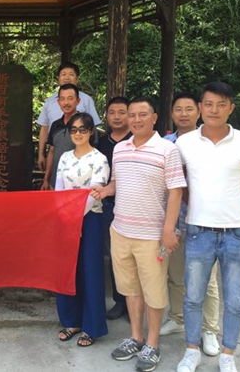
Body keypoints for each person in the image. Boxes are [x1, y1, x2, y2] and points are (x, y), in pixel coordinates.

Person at [175, 82, 240, 372]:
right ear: (200, 107)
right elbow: (180, 184)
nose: (214, 110)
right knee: (193, 297)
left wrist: (237, 208)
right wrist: (197, 205)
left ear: (231, 108)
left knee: (235, 301)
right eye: (208, 104)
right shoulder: (184, 144)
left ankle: (228, 354)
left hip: (236, 234)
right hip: (198, 232)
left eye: (221, 104)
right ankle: (192, 350)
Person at [92, 97, 186, 372]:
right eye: (131, 115)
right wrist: (105, 191)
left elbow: (176, 191)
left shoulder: (168, 150)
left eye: (142, 114)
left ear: (154, 118)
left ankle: (152, 344)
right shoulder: (120, 149)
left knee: (154, 292)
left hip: (151, 235)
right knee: (131, 289)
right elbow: (116, 183)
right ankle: (136, 337)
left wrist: (168, 229)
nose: (135, 119)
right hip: (121, 230)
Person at [161, 93, 221, 357]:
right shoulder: (165, 143)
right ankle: (177, 318)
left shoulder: (209, 141)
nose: (183, 114)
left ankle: (209, 329)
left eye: (189, 109)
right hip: (174, 222)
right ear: (172, 113)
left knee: (207, 280)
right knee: (176, 276)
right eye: (178, 109)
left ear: (198, 111)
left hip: (204, 222)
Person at [55, 113, 109, 347]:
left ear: (91, 131)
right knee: (66, 269)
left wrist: (74, 216)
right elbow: (58, 189)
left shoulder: (100, 159)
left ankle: (91, 327)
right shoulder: (65, 157)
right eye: (73, 129)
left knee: (90, 271)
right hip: (65, 219)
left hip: (90, 219)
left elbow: (95, 192)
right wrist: (63, 215)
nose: (78, 133)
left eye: (83, 129)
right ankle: (71, 321)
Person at [96, 96, 131, 321]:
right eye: (112, 113)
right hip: (108, 205)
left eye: (121, 112)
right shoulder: (100, 143)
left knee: (137, 257)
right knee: (115, 255)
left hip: (134, 205)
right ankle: (120, 301)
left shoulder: (136, 141)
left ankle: (135, 301)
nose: (116, 117)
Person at [37, 62, 101, 171]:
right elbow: (44, 128)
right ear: (58, 78)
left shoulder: (86, 100)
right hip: (56, 151)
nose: (67, 77)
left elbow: (93, 128)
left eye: (71, 74)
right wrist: (41, 154)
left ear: (77, 79)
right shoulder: (49, 102)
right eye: (63, 74)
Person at [40, 84, 80, 191]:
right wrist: (46, 180)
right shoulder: (55, 125)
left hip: (77, 185)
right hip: (55, 183)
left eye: (70, 98)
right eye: (62, 99)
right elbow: (51, 152)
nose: (66, 103)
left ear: (78, 101)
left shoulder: (84, 125)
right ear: (58, 102)